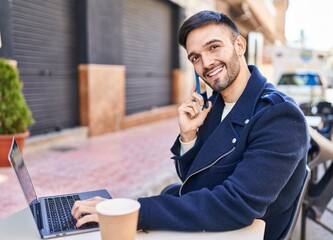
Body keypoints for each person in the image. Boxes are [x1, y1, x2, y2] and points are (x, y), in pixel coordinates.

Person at [72, 10, 308, 239]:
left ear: (239, 46)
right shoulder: (213, 104)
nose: (206, 63)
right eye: (195, 57)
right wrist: (189, 136)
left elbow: (236, 205)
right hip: (206, 223)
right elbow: (192, 179)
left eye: (213, 47)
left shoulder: (279, 116)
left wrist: (132, 212)